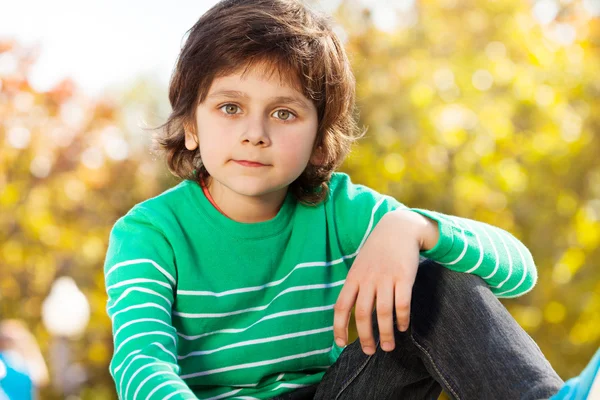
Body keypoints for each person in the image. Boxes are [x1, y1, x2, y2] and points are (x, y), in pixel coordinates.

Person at [103, 0, 594, 398]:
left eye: (284, 113)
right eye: (230, 108)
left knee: (433, 279)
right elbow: (139, 362)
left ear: (320, 138)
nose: (254, 133)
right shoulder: (149, 234)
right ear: (191, 125)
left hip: (342, 392)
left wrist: (411, 229)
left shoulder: (340, 208)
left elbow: (519, 271)